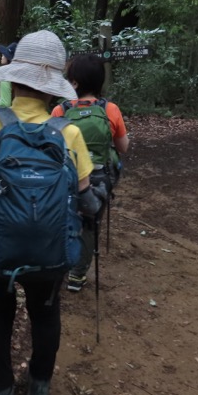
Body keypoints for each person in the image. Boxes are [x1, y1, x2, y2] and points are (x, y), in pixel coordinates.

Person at [0, 30, 104, 395]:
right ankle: (38, 388)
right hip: (52, 251)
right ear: (54, 88)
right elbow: (86, 201)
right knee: (45, 314)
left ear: (13, 79)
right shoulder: (68, 133)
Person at [51, 54, 130, 292]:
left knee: (63, 218)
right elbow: (123, 147)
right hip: (99, 178)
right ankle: (77, 275)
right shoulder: (110, 109)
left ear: (73, 82)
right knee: (89, 223)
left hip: (66, 177)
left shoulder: (59, 110)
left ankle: (58, 264)